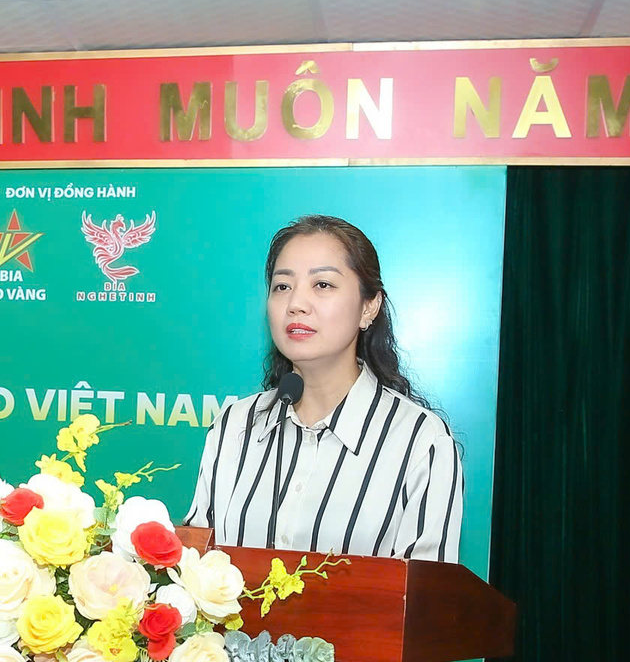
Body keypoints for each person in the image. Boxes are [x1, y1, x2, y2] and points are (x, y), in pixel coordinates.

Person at [184, 215, 463, 561]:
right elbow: (196, 573)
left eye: (323, 285)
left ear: (369, 307)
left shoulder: (421, 441)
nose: (296, 303)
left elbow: (424, 602)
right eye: (282, 286)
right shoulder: (234, 426)